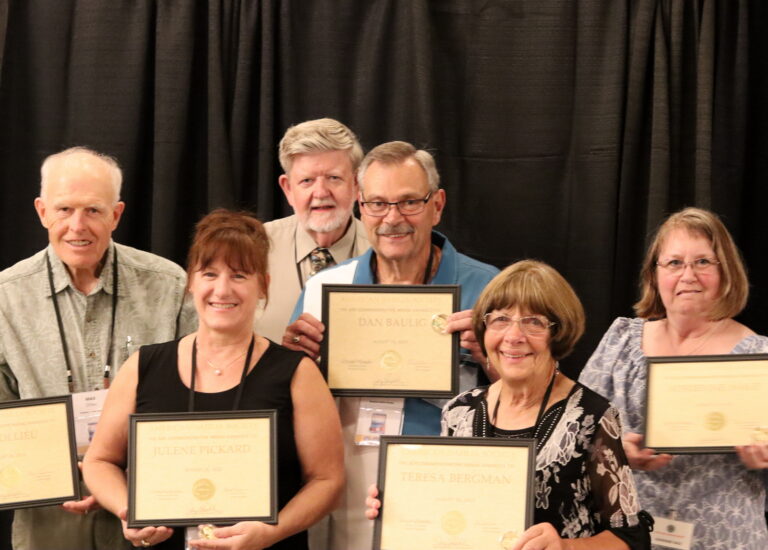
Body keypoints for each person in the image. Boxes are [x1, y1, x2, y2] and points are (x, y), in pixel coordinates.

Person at [83, 209, 344, 550]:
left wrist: (272, 531)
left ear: (263, 286)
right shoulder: (143, 367)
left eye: (239, 275)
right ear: (191, 282)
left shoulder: (297, 373)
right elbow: (99, 461)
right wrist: (127, 510)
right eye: (209, 274)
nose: (222, 289)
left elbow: (328, 480)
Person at [285, 141, 499, 549]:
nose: (393, 218)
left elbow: (535, 402)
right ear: (361, 207)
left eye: (409, 202)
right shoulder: (323, 290)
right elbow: (296, 411)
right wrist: (293, 365)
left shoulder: (491, 289)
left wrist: (493, 362)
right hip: (348, 492)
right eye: (378, 204)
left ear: (437, 205)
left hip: (453, 496)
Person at [367, 260, 652, 550]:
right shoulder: (459, 412)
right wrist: (400, 510)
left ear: (559, 333)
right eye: (500, 319)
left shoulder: (593, 417)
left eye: (534, 322)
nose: (514, 336)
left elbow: (631, 538)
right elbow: (447, 514)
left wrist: (566, 547)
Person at [0, 147, 196, 550]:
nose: (78, 226)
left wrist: (120, 483)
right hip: (48, 518)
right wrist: (51, 472)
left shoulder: (169, 286)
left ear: (116, 215)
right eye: (64, 209)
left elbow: (197, 397)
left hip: (148, 508)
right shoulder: (6, 297)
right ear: (42, 212)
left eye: (93, 210)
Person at [579, 207, 768, 549]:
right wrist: (615, 452)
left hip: (725, 540)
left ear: (726, 271)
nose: (688, 275)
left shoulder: (760, 357)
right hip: (625, 538)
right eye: (675, 263)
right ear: (654, 275)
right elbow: (575, 432)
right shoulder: (621, 341)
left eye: (703, 262)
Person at [258, 118, 369, 342]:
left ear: (356, 184)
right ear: (288, 189)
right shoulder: (253, 247)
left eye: (334, 178)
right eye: (307, 180)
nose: (320, 192)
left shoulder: (386, 250)